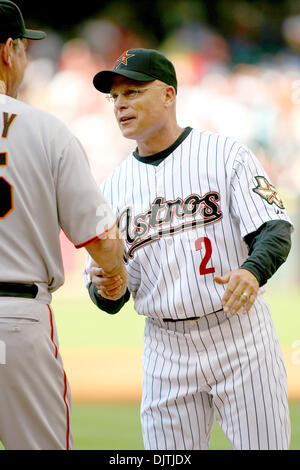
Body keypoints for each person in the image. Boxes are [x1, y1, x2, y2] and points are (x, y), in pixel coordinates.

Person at [86, 47, 293, 450]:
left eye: (133, 91)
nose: (120, 104)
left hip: (240, 336)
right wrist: (106, 289)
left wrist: (251, 270)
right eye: (115, 97)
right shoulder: (111, 188)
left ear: (168, 94)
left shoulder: (225, 154)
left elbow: (275, 227)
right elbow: (110, 290)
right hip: (166, 347)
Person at [0, 0, 127, 450]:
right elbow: (104, 244)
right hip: (17, 320)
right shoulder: (46, 130)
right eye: (23, 48)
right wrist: (115, 275)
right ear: (8, 51)